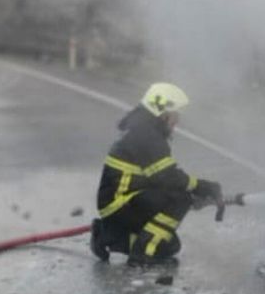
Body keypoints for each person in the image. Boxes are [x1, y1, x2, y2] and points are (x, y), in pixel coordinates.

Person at [91, 82, 223, 266]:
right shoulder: (147, 135)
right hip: (120, 204)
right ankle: (141, 254)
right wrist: (202, 187)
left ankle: (107, 236)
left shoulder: (142, 128)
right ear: (163, 112)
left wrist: (196, 192)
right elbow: (168, 177)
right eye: (175, 115)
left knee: (169, 246)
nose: (177, 121)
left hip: (120, 202)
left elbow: (157, 178)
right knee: (180, 198)